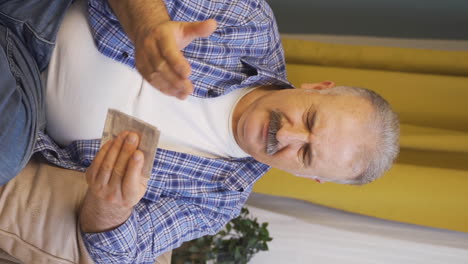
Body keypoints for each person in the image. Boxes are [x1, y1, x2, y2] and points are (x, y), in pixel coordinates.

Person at [1, 0, 399, 263]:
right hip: (44, 11)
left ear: (309, 177)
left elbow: (120, 251)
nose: (288, 136)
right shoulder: (248, 23)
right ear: (318, 88)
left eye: (306, 153)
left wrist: (113, 205)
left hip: (23, 101)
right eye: (310, 119)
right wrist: (149, 25)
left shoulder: (216, 199)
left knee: (7, 150)